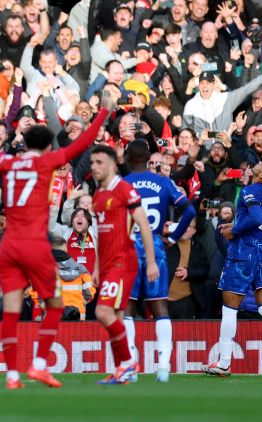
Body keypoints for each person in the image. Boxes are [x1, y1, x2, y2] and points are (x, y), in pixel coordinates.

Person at [0, 97, 111, 389]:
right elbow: (82, 142)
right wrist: (104, 111)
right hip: (34, 245)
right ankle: (39, 365)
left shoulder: (7, 161)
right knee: (55, 305)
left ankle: (10, 375)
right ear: (47, 146)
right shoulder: (48, 161)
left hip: (8, 246)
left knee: (10, 309)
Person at [202, 161, 262, 377]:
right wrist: (236, 225)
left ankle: (224, 363)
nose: (260, 162)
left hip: (244, 252)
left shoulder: (249, 191)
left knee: (229, 307)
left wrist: (234, 230)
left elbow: (254, 217)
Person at [122, 140, 196, 382]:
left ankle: (130, 366)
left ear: (127, 158)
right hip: (155, 245)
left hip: (130, 246)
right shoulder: (163, 182)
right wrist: (173, 237)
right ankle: (163, 368)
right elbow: (190, 212)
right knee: (159, 306)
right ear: (147, 159)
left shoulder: (123, 184)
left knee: (128, 308)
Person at [89, 145, 158, 384]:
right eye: (92, 163)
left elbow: (144, 225)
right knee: (115, 317)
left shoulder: (124, 189)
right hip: (107, 264)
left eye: (99, 162)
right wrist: (97, 266)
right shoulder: (97, 195)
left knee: (102, 312)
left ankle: (128, 363)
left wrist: (150, 262)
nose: (94, 167)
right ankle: (122, 370)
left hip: (123, 261)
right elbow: (100, 234)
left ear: (112, 165)